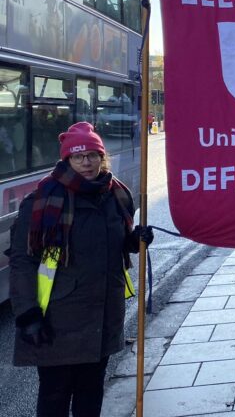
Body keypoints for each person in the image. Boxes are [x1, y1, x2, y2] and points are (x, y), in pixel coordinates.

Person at [9, 122, 152, 416]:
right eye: (78, 156)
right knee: (55, 396)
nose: (86, 162)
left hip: (103, 313)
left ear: (102, 157)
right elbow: (23, 261)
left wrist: (135, 240)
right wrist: (27, 313)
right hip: (58, 319)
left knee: (91, 393)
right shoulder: (42, 200)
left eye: (92, 154)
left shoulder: (116, 195)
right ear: (66, 160)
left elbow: (116, 244)